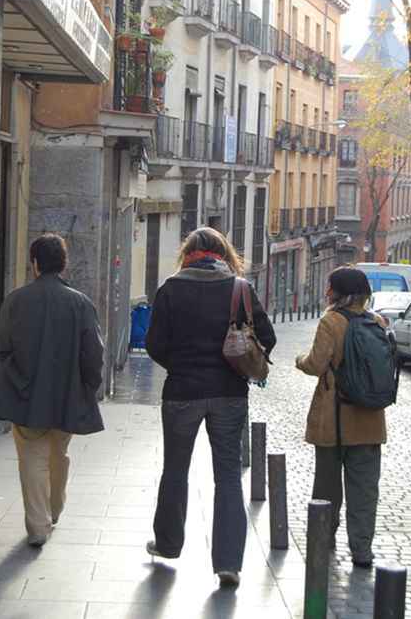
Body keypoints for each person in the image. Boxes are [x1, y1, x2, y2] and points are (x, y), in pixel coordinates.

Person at [145, 227, 276, 588]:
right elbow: (267, 338)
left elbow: (154, 343)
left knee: (175, 470)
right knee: (229, 477)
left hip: (181, 392)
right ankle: (228, 563)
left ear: (188, 253)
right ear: (224, 253)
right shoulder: (240, 289)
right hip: (229, 394)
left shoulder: (171, 288)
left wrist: (180, 364)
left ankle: (169, 544)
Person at [0, 234, 104, 547]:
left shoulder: (15, 301)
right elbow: (94, 354)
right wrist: (89, 387)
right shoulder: (81, 303)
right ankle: (55, 508)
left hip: (25, 395)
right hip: (67, 397)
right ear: (64, 264)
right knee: (58, 455)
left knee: (31, 460)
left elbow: (2, 348)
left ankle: (38, 525)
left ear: (34, 264)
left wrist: (11, 380)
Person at [295, 266, 386, 568]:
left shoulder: (331, 321)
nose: (326, 293)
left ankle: (325, 540)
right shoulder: (378, 322)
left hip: (333, 421)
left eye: (329, 287)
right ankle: (362, 550)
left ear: (338, 292)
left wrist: (299, 361)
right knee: (365, 490)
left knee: (327, 487)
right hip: (370, 421)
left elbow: (317, 363)